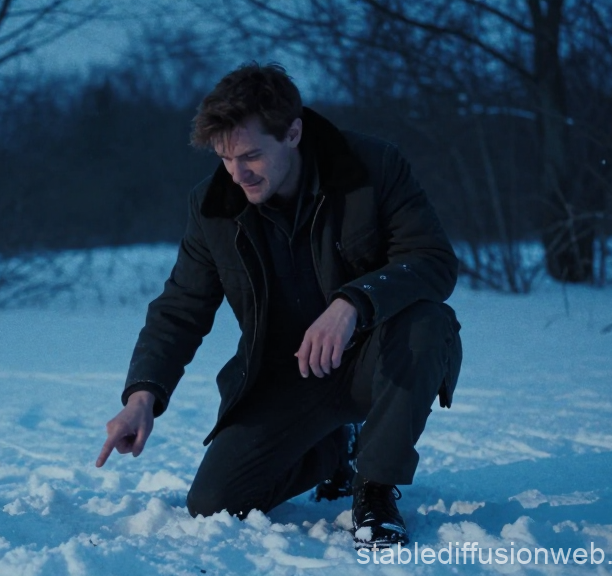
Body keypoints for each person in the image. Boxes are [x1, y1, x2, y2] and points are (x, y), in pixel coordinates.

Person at [95, 62, 462, 550]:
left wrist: (353, 301)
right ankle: (333, 451)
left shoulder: (372, 169)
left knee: (427, 322)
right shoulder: (213, 208)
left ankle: (374, 489)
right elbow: (180, 308)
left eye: (250, 155)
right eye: (225, 157)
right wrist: (142, 397)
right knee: (214, 503)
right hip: (286, 378)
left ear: (293, 133)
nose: (237, 172)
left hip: (378, 358)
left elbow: (433, 261)